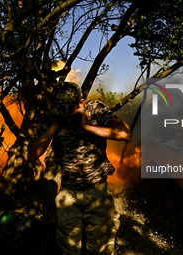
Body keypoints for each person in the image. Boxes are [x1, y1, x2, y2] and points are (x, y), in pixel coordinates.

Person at [28, 81, 132, 255]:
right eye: (60, 109)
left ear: (81, 103)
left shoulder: (94, 109)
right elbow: (33, 153)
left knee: (99, 247)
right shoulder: (52, 115)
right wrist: (54, 125)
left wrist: (88, 126)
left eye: (68, 110)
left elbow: (125, 133)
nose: (65, 116)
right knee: (68, 248)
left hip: (97, 189)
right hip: (68, 191)